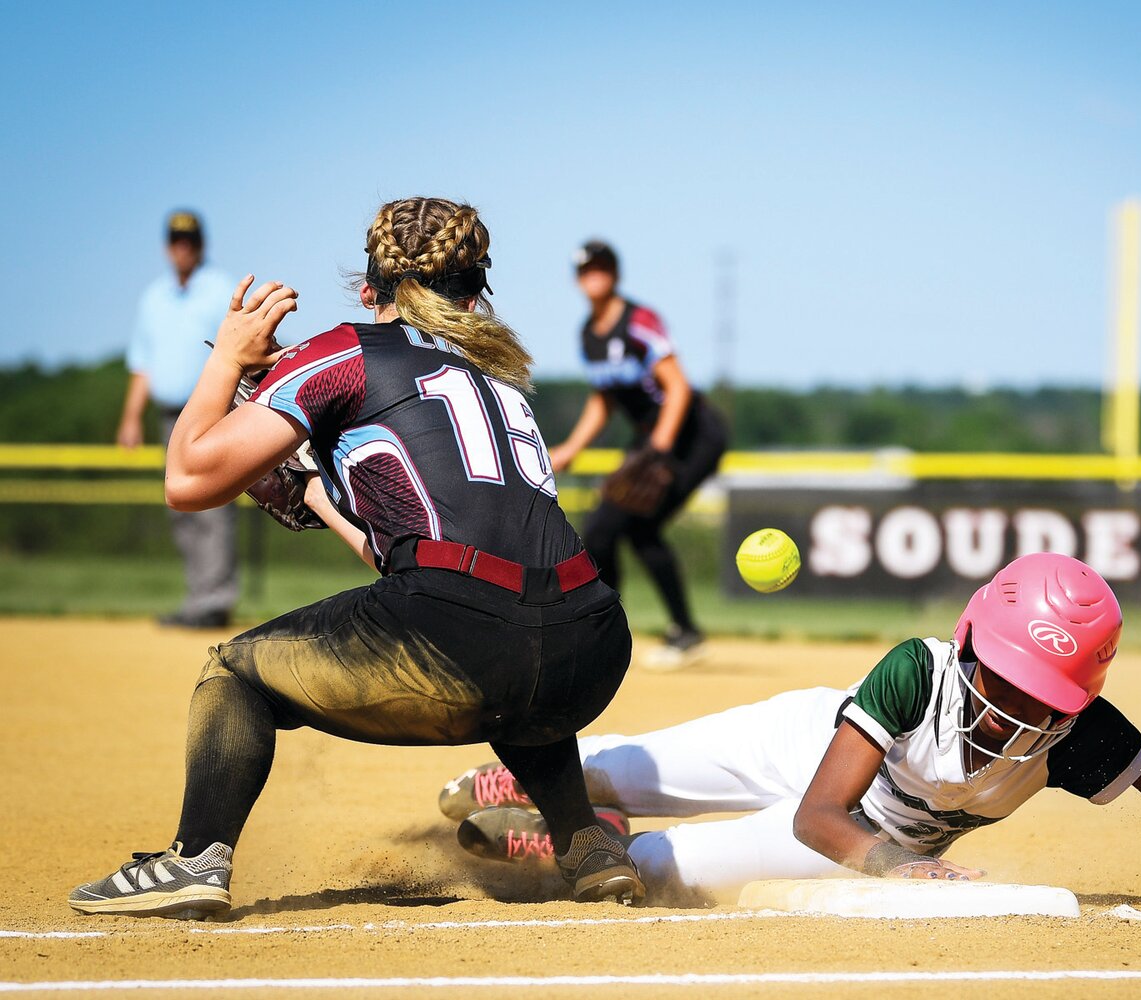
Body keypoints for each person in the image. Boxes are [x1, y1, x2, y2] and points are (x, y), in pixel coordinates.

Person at [70, 197, 644, 919]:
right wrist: (315, 494)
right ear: (476, 293)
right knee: (517, 636)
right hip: (591, 645)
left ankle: (194, 859)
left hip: (466, 637)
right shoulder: (500, 380)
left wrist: (225, 357)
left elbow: (187, 481)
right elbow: (436, 558)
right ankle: (585, 842)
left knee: (233, 674)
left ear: (369, 286)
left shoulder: (346, 352)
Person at [440, 552, 1141, 922]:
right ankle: (546, 786)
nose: (1019, 707)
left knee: (646, 873)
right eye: (1008, 677)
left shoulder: (1083, 733)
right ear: (973, 640)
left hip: (863, 845)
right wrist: (905, 870)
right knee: (623, 765)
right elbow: (821, 811)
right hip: (815, 765)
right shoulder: (917, 667)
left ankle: (559, 839)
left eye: (1044, 691)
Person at [548, 241, 728, 667]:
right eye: (585, 270)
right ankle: (668, 632)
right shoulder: (588, 335)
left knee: (626, 527)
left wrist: (660, 449)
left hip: (693, 434)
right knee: (612, 530)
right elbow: (604, 400)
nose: (593, 276)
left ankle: (634, 632)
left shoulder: (639, 320)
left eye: (601, 268)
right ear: (578, 280)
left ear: (614, 273)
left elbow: (678, 387)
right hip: (653, 440)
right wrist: (572, 448)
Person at [117, 211, 240, 628]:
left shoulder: (220, 289)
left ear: (200, 244)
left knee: (211, 506)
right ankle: (197, 599)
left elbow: (238, 349)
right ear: (167, 246)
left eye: (189, 241)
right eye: (175, 240)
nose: (182, 247)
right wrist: (131, 417)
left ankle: (215, 600)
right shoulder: (154, 297)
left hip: (210, 412)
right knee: (181, 506)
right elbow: (143, 363)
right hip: (169, 416)